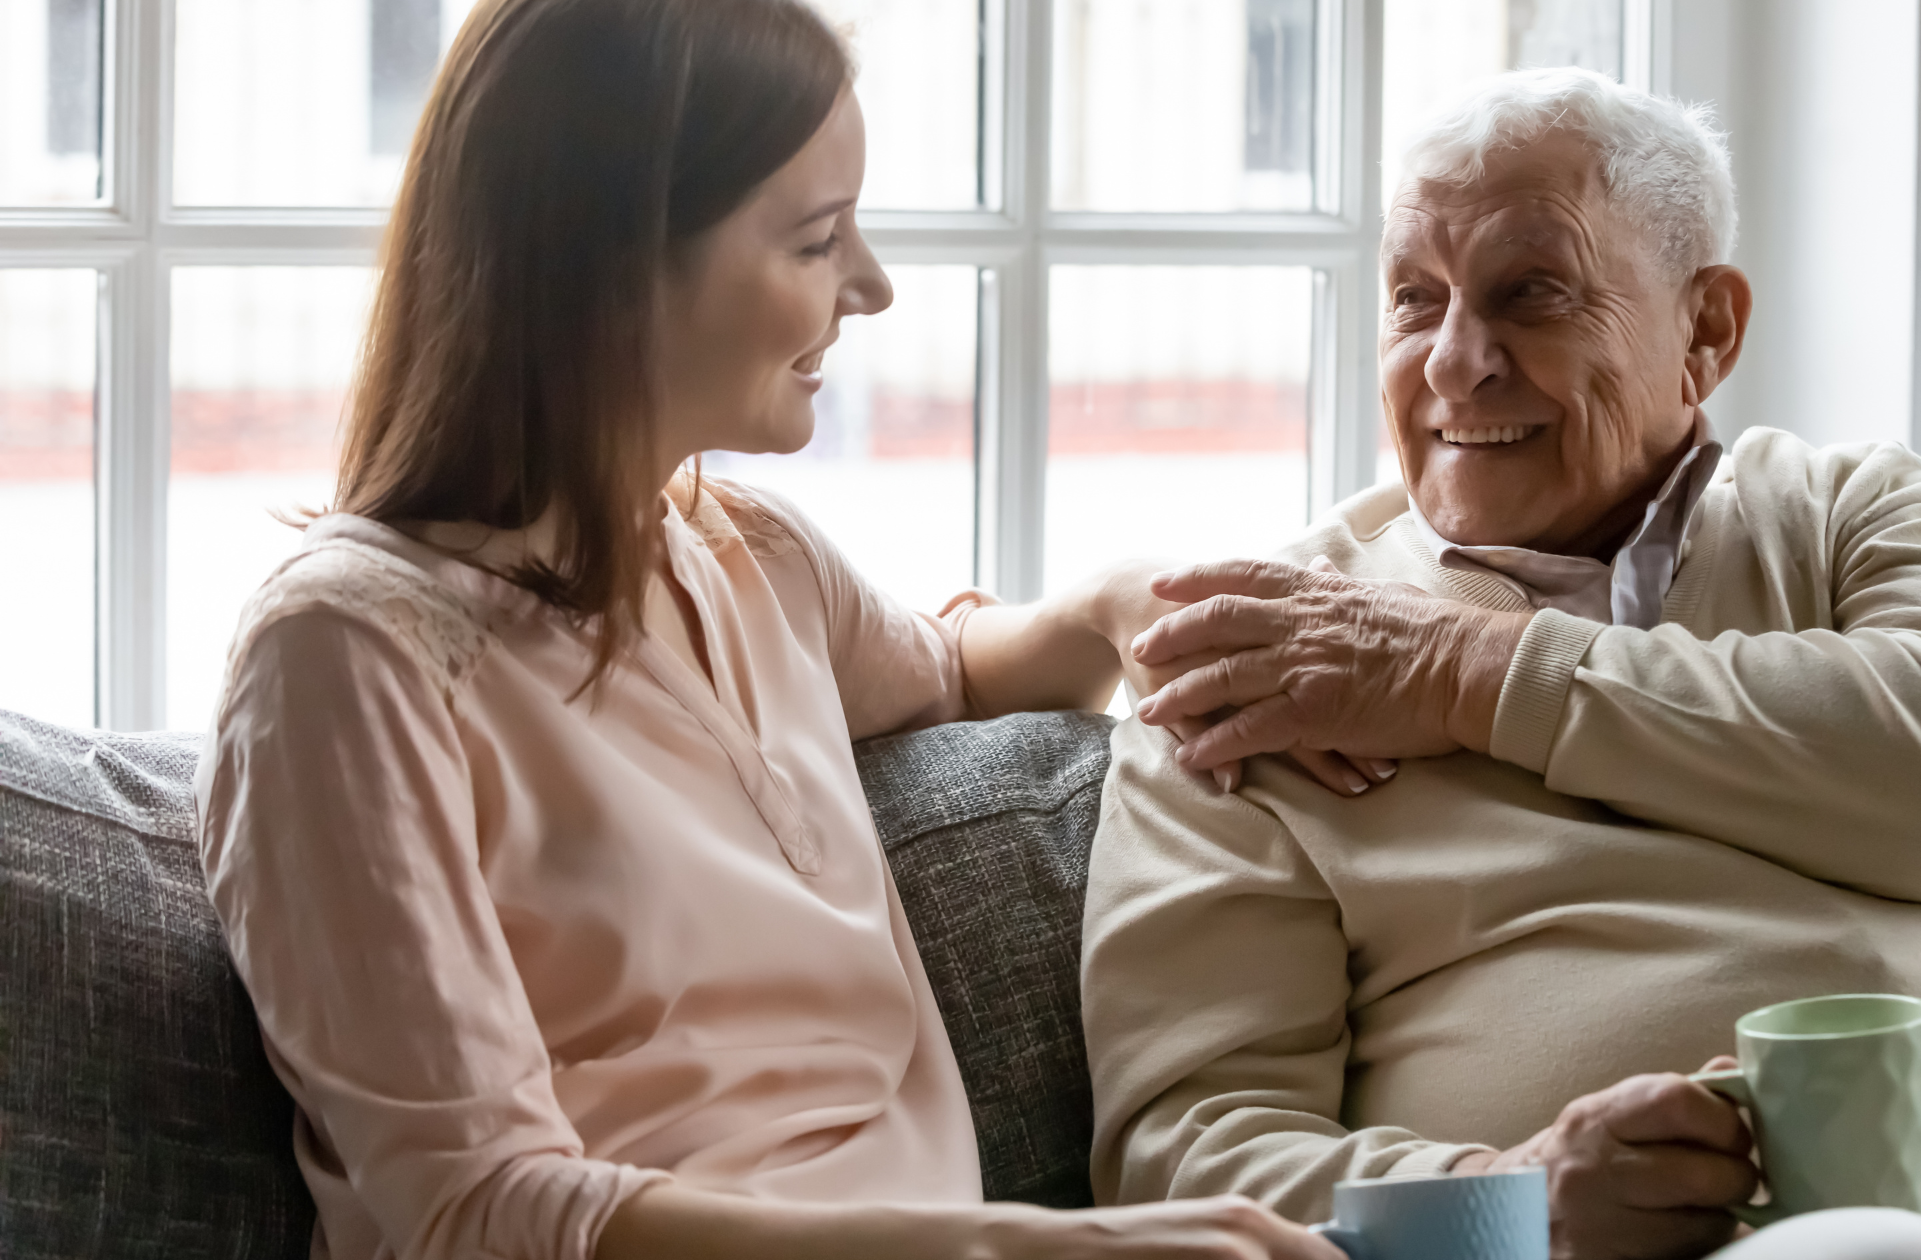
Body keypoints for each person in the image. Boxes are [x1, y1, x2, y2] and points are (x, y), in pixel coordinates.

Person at [196, 3, 1344, 1258]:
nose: (872, 286)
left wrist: (1127, 599)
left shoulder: (756, 562)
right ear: (611, 264)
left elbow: (952, 673)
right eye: (815, 240)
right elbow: (474, 1210)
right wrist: (1009, 1248)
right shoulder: (344, 658)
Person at [1081, 68, 1921, 1259]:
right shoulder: (1260, 663)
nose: (1450, 362)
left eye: (1529, 293)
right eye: (1413, 300)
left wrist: (1472, 674)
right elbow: (1185, 1156)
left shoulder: (1854, 510)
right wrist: (1505, 1195)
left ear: (1705, 329)